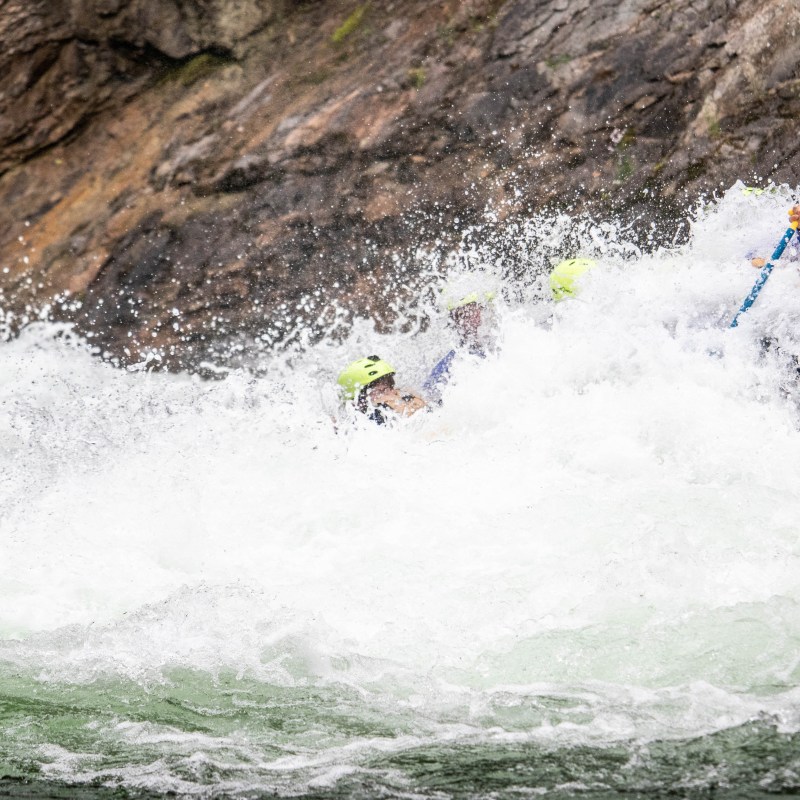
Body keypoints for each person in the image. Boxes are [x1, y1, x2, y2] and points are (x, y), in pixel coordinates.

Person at [423, 292, 493, 402]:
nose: (477, 319)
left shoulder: (514, 342)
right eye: (465, 315)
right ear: (456, 322)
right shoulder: (449, 367)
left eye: (481, 310)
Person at [338, 355, 426, 425]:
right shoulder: (371, 420)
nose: (392, 394)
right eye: (381, 391)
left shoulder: (404, 398)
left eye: (390, 387)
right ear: (359, 402)